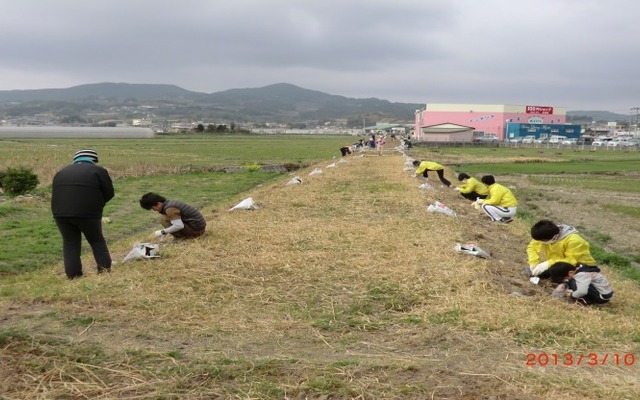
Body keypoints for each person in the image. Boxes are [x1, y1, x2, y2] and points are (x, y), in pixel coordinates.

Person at [51, 149, 114, 279]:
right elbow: (109, 192)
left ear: (75, 160)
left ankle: (73, 276)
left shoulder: (61, 172)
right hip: (88, 213)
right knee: (96, 240)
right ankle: (104, 270)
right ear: (94, 160)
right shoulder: (98, 171)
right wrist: (97, 204)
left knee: (70, 243)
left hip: (60, 213)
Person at [527, 219, 597, 279]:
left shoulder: (574, 240)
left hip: (579, 267)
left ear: (554, 237)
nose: (541, 242)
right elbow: (532, 247)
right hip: (558, 264)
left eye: (543, 241)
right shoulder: (544, 234)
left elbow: (572, 260)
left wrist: (547, 264)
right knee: (538, 274)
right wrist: (533, 262)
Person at [139, 192, 206, 240]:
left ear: (158, 204)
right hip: (199, 228)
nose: (154, 210)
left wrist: (162, 232)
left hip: (197, 231)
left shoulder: (170, 209)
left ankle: (181, 238)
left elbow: (179, 225)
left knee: (164, 219)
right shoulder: (170, 204)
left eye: (153, 208)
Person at [547, 262, 614, 305]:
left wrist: (571, 296)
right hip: (603, 292)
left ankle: (587, 301)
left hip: (601, 297)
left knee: (573, 282)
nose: (565, 279)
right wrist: (565, 284)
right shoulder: (579, 268)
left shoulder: (582, 275)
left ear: (570, 272)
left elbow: (582, 291)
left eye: (565, 278)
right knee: (571, 281)